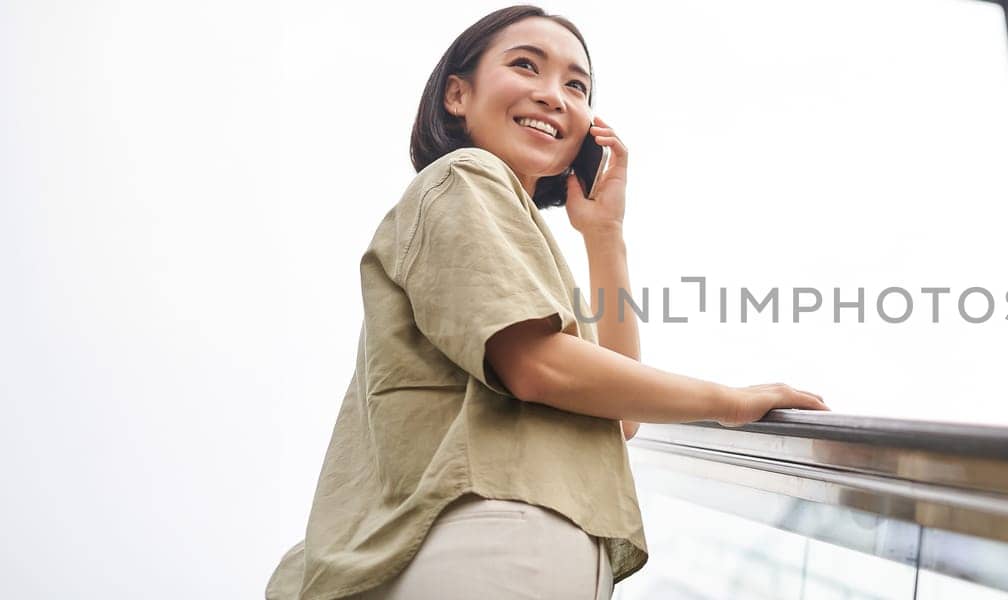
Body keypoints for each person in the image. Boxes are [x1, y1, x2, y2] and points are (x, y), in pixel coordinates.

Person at [265, 5, 829, 599]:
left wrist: (604, 234)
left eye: (575, 85)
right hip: (493, 535)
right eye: (525, 66)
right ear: (457, 94)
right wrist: (730, 401)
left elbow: (620, 412)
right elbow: (538, 365)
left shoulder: (505, 220)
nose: (552, 95)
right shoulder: (465, 176)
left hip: (514, 541)